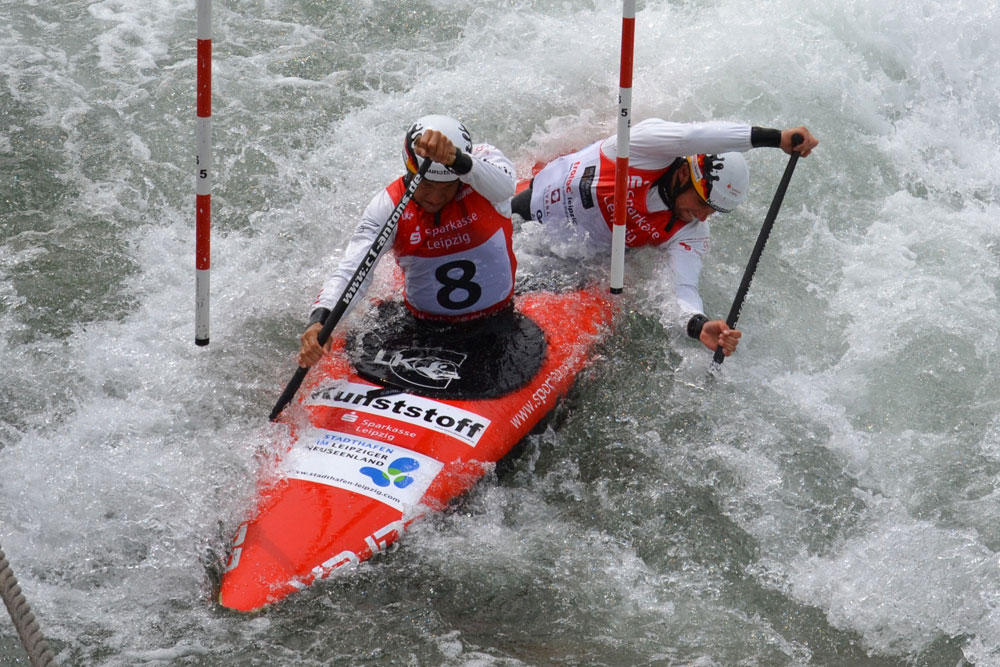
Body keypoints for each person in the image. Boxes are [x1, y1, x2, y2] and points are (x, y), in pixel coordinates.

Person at [510, 118, 818, 357]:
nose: (701, 218)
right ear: (685, 176)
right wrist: (775, 138)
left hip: (567, 261)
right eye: (701, 204)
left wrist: (697, 323)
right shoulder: (645, 149)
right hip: (526, 211)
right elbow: (693, 136)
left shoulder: (690, 232)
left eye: (712, 212)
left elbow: (682, 286)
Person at [298, 114, 517, 367]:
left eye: (445, 189)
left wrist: (457, 160)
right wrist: (320, 321)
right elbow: (353, 271)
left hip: (497, 321)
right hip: (424, 328)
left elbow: (506, 188)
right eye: (425, 186)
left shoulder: (482, 173)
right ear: (410, 173)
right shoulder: (388, 205)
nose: (434, 198)